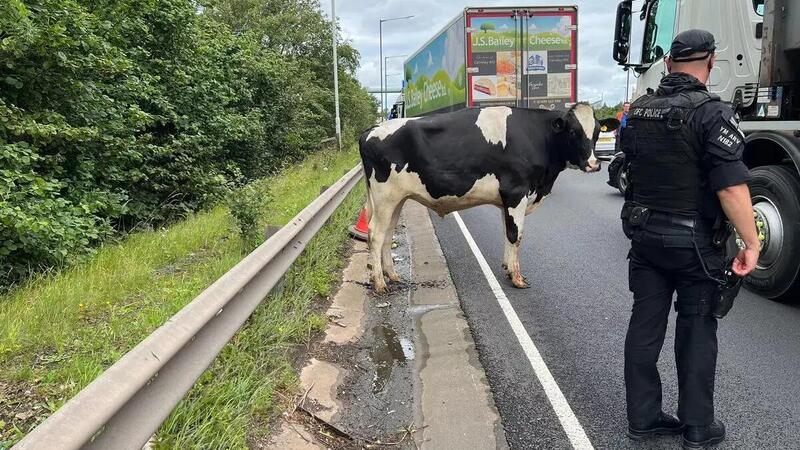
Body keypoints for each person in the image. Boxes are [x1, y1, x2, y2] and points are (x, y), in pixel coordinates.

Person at [620, 29, 760, 449]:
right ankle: (698, 427)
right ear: (712, 61)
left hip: (645, 239)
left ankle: (643, 419)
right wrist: (751, 243)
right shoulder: (712, 113)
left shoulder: (639, 110)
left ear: (667, 64)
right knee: (697, 329)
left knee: (644, 327)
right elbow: (731, 189)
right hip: (695, 247)